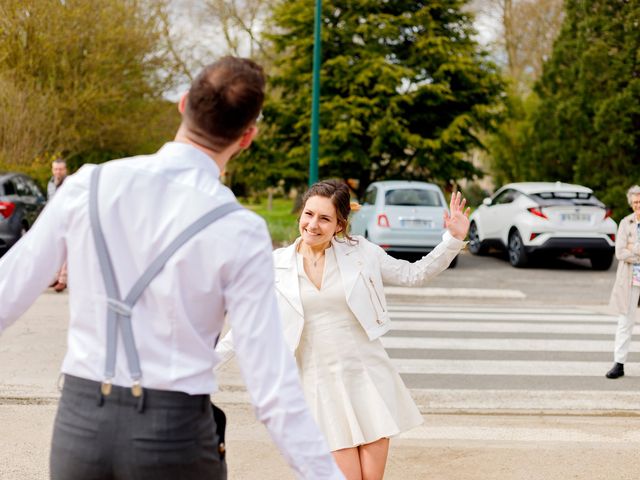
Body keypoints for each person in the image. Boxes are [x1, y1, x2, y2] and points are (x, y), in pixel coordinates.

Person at [0, 57, 343, 480]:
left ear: (183, 104)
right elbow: (271, 386)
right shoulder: (239, 229)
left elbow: (6, 292)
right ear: (248, 137)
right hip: (174, 435)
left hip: (80, 428)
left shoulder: (88, 186)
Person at [217, 180, 470, 479]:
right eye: (308, 214)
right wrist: (202, 365)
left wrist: (452, 240)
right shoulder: (274, 265)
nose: (313, 224)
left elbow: (413, 274)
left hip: (366, 376)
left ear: (339, 225)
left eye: (324, 218)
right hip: (318, 385)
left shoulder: (360, 252)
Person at [606, 185, 640, 379]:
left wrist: (632, 249)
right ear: (631, 204)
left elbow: (628, 251)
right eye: (635, 202)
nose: (638, 206)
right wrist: (636, 252)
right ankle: (619, 364)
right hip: (630, 281)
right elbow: (620, 253)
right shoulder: (625, 223)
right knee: (625, 322)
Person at [47, 158, 69, 292]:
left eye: (60, 169)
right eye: (56, 169)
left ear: (65, 170)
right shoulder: (50, 183)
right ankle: (55, 277)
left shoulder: (69, 183)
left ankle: (63, 279)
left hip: (66, 220)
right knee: (55, 249)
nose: (58, 172)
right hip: (54, 219)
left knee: (66, 249)